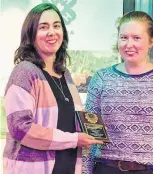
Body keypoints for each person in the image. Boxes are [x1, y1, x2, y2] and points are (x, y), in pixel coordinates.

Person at [83, 11, 153, 174]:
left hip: (151, 169)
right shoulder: (101, 78)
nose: (128, 44)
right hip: (106, 167)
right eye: (123, 37)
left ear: (151, 41)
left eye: (136, 38)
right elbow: (90, 134)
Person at [3, 3, 103, 174]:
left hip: (68, 167)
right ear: (31, 33)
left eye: (56, 26)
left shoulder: (65, 74)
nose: (51, 32)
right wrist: (73, 140)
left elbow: (73, 117)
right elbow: (21, 128)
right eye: (43, 27)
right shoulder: (24, 72)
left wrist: (98, 130)